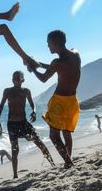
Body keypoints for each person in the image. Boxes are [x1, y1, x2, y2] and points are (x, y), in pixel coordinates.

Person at [26, 30, 81, 169]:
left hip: (60, 101)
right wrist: (39, 64)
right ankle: (69, 160)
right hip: (72, 100)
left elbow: (44, 78)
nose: (48, 46)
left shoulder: (56, 62)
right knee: (67, 133)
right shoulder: (76, 53)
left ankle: (68, 162)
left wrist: (33, 68)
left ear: (56, 44)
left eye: (49, 44)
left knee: (54, 136)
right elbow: (57, 67)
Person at [0, 71, 55, 178]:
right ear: (12, 80)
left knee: (38, 141)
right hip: (12, 124)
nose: (16, 80)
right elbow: (1, 106)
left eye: (18, 78)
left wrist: (34, 111)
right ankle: (15, 175)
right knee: (15, 149)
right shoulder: (7, 91)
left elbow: (32, 104)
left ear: (23, 79)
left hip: (23, 123)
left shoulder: (26, 91)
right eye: (14, 78)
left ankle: (52, 163)